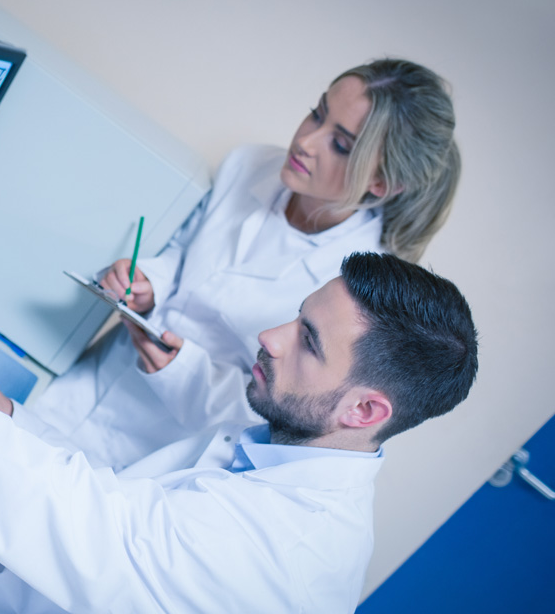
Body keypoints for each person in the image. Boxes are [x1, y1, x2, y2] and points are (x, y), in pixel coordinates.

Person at [0, 205, 478, 613]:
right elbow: (118, 502)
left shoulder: (279, 564)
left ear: (364, 409)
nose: (270, 337)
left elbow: (79, 521)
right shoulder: (286, 448)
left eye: (308, 341)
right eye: (296, 316)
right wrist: (5, 416)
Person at [29, 58, 463, 470]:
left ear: (381, 182)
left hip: (164, 442)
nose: (306, 141)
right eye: (317, 113)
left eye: (340, 144)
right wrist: (149, 284)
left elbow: (282, 409)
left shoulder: (352, 292)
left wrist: (185, 373)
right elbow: (184, 248)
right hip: (91, 383)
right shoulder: (251, 164)